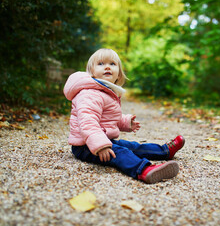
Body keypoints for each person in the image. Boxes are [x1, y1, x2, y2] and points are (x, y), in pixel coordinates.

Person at [63, 48, 185, 184]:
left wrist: (126, 122)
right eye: (101, 64)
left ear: (119, 75)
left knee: (133, 147)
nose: (107, 66)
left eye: (112, 64)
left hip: (102, 139)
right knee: (120, 153)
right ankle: (143, 170)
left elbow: (108, 117)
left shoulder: (106, 92)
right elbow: (88, 121)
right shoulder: (89, 93)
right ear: (91, 72)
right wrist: (101, 146)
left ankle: (164, 151)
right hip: (85, 146)